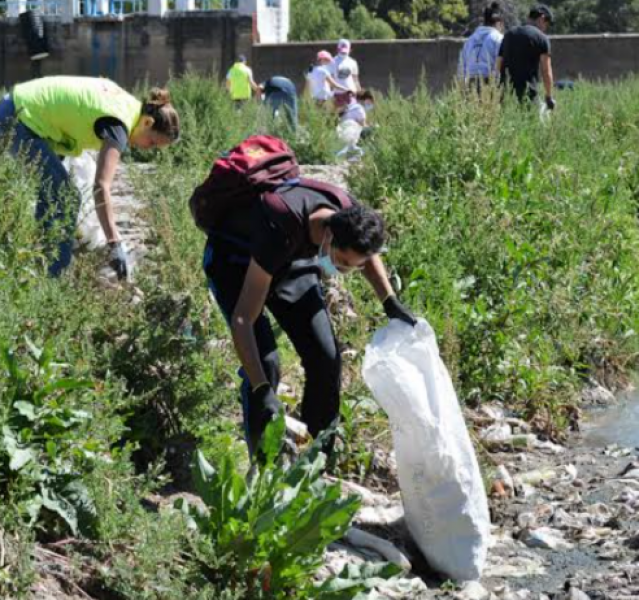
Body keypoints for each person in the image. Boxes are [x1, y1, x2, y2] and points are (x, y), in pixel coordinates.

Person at [202, 155, 416, 460]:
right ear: (329, 236)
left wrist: (390, 301)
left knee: (325, 356)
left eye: (352, 267)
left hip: (292, 260)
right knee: (266, 364)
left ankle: (317, 460)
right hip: (235, 261)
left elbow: (366, 255)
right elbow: (241, 320)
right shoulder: (280, 224)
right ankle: (264, 466)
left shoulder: (346, 210)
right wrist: (263, 388)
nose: (343, 270)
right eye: (341, 262)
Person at [0, 76, 180, 277]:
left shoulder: (127, 106)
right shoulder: (119, 125)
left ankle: (40, 267)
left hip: (18, 107)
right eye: (152, 143)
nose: (148, 149)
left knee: (53, 193)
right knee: (65, 196)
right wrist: (114, 243)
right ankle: (51, 280)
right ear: (148, 122)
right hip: (20, 118)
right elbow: (101, 186)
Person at [497, 4, 555, 109]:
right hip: (528, 96)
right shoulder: (541, 38)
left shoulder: (508, 34)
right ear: (542, 18)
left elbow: (498, 64)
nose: (545, 28)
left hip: (505, 96)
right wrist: (549, 96)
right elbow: (546, 70)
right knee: (533, 124)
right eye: (547, 24)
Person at [458, 2, 504, 90]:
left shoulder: (470, 40)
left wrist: (461, 89)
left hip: (470, 84)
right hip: (490, 83)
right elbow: (500, 66)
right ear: (499, 23)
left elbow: (461, 68)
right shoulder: (499, 38)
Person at [332, 39, 361, 111]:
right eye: (341, 50)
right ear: (337, 49)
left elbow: (355, 79)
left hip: (350, 93)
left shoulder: (353, 62)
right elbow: (330, 79)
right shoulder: (332, 61)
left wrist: (359, 93)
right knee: (338, 116)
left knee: (352, 114)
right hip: (337, 94)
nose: (343, 53)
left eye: (345, 51)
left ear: (350, 50)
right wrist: (330, 94)